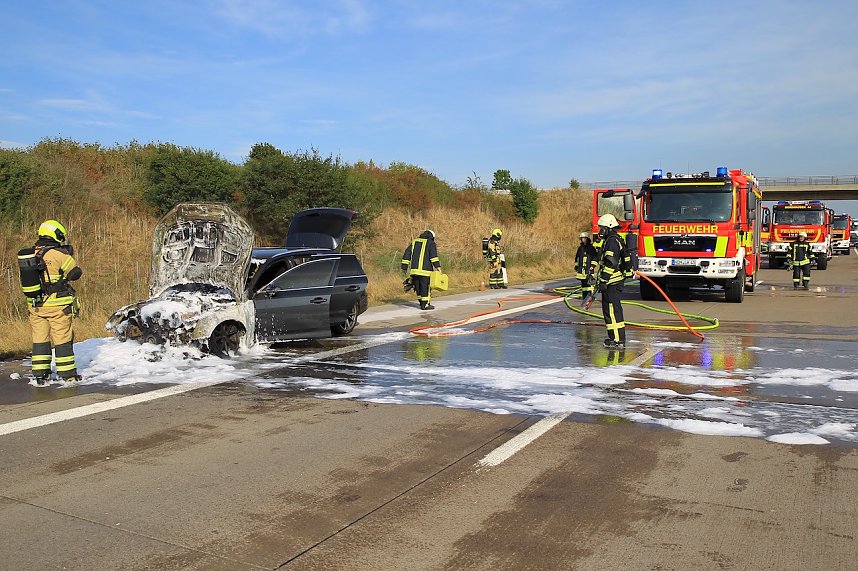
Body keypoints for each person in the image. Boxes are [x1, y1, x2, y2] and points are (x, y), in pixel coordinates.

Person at [18, 220, 83, 384]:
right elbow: (75, 273)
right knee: (62, 339)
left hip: (36, 307)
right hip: (57, 307)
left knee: (40, 339)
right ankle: (67, 374)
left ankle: (41, 374)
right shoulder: (59, 254)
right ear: (56, 234)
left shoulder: (31, 254)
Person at [594, 214, 632, 349]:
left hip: (612, 282)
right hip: (614, 282)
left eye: (602, 228)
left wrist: (604, 280)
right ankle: (616, 338)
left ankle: (617, 340)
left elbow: (611, 263)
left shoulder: (611, 242)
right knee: (612, 310)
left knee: (611, 311)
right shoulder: (615, 239)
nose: (600, 231)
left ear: (608, 228)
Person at [401, 229, 442, 310]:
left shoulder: (415, 242)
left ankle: (421, 302)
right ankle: (425, 305)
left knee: (418, 287)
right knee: (425, 287)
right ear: (432, 237)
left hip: (414, 271)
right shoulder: (431, 243)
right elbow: (433, 257)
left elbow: (407, 254)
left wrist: (404, 267)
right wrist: (438, 267)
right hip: (425, 272)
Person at [574, 231, 598, 297]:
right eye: (582, 238)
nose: (583, 239)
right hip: (581, 271)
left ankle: (589, 296)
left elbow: (595, 258)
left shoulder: (591, 248)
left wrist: (592, 266)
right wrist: (576, 266)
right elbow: (577, 258)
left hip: (588, 269)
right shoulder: (580, 248)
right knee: (583, 285)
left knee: (588, 284)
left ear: (587, 239)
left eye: (584, 238)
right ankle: (584, 297)